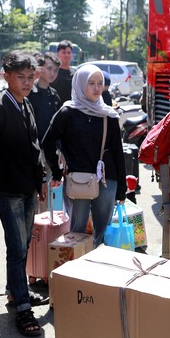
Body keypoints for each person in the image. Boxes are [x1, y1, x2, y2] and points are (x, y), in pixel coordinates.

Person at [0, 51, 47, 337]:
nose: (27, 82)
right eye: (21, 77)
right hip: (7, 190)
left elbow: (35, 146)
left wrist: (40, 179)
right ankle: (23, 308)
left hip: (27, 188)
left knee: (23, 244)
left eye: (31, 77)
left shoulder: (25, 105)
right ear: (7, 77)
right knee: (16, 248)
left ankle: (15, 291)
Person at [42, 64, 127, 247]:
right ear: (80, 84)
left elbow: (118, 153)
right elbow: (47, 142)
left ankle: (97, 264)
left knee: (102, 234)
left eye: (100, 83)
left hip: (107, 180)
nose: (97, 88)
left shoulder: (109, 114)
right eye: (91, 83)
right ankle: (78, 265)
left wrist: (122, 188)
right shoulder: (67, 112)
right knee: (77, 233)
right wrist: (56, 172)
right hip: (78, 180)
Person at [28, 52, 61, 143]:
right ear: (39, 68)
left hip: (50, 145)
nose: (53, 73)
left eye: (56, 70)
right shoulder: (29, 91)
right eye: (49, 69)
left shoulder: (54, 95)